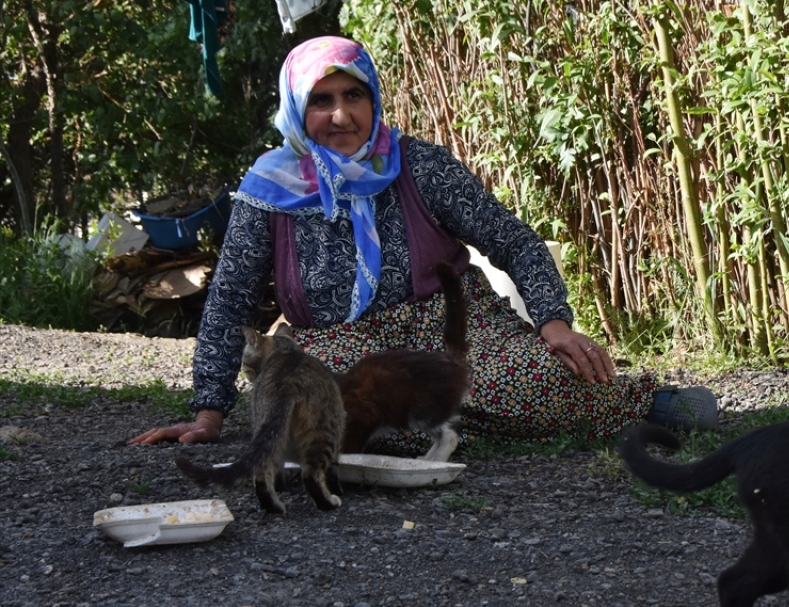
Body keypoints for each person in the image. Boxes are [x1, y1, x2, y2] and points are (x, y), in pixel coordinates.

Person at [130, 36, 715, 453]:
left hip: (448, 331)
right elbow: (229, 298)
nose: (341, 115)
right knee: (313, 411)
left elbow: (511, 239)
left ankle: (643, 403)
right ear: (295, 107)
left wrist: (553, 324)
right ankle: (459, 422)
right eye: (321, 100)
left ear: (374, 98)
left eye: (354, 96)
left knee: (529, 378)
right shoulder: (267, 189)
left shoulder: (419, 164)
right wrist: (209, 411)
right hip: (337, 346)